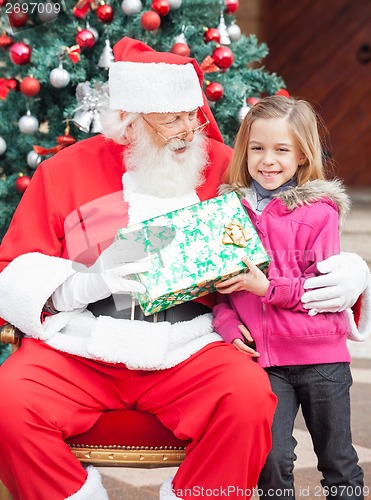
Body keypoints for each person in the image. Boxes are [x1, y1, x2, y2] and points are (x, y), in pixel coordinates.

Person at [0, 38, 368, 500]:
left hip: (191, 344)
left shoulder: (223, 165)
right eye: (172, 119)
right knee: (7, 401)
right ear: (129, 121)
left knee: (249, 398)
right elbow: (15, 268)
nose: (189, 130)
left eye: (191, 114)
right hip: (84, 343)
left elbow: (296, 219)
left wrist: (354, 270)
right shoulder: (64, 172)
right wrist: (83, 285)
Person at [213, 95, 370, 499]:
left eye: (282, 149)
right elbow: (220, 291)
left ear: (302, 155)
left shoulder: (319, 212)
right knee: (271, 461)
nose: (268, 160)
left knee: (337, 461)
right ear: (244, 151)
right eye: (258, 148)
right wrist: (229, 326)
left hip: (321, 358)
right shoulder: (228, 212)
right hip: (265, 361)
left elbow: (323, 293)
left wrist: (265, 288)